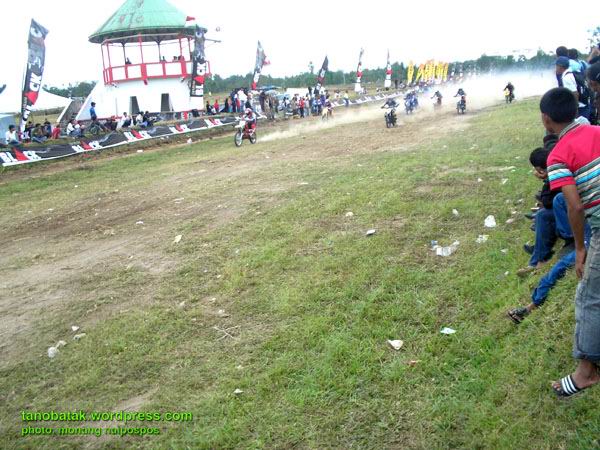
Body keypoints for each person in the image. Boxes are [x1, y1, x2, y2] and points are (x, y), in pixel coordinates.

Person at [539, 87, 600, 397]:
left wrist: (580, 248)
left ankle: (586, 373)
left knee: (589, 297)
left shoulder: (558, 155)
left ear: (546, 120)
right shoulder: (598, 131)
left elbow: (574, 206)